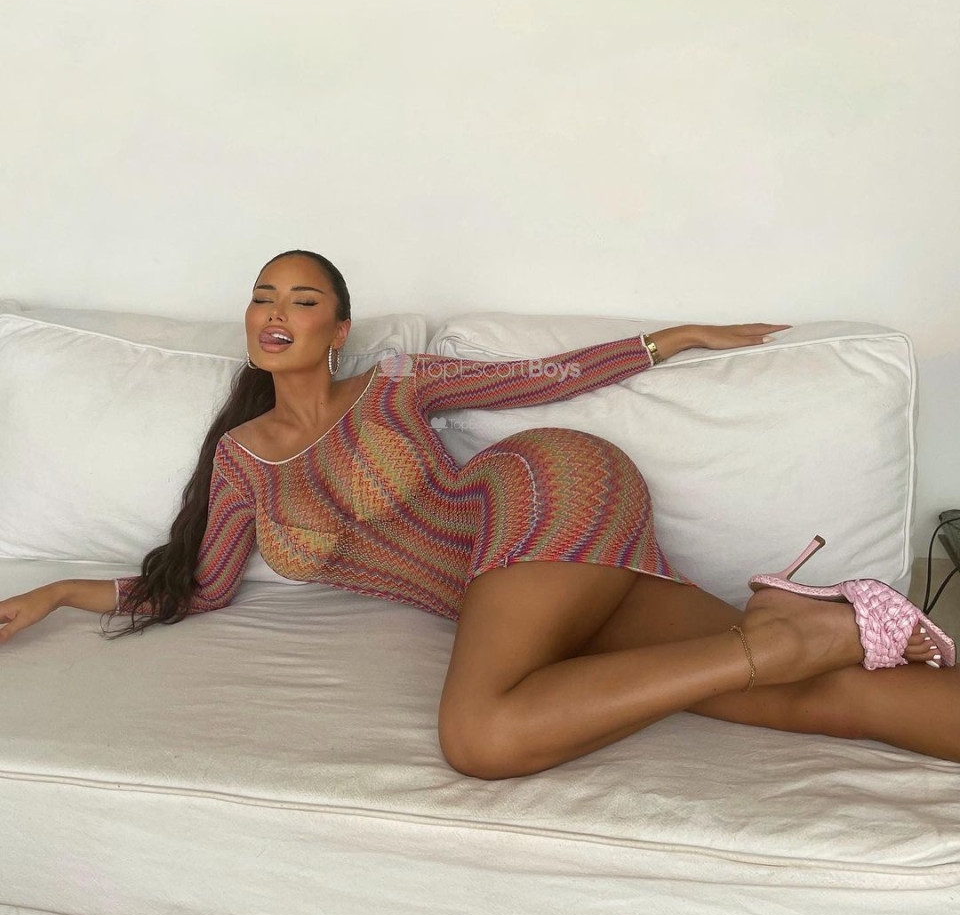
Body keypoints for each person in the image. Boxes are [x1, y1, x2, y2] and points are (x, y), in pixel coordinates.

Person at [1, 249, 957, 778]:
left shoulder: (394, 383)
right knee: (805, 702)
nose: (276, 311)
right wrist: (54, 594)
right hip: (530, 590)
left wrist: (670, 341)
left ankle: (784, 635)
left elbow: (539, 378)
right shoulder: (241, 459)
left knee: (482, 738)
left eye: (303, 298)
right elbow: (202, 588)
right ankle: (811, 636)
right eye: (262, 297)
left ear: (338, 328)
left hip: (547, 495)